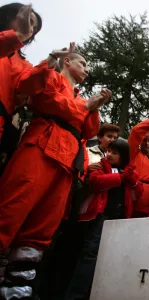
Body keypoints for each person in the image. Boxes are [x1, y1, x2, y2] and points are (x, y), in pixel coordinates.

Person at [0, 49, 111, 299]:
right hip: (40, 145)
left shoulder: (81, 96)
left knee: (42, 228)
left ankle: (16, 291)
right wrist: (85, 106)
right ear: (66, 61)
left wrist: (93, 107)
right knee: (10, 209)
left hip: (67, 160)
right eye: (82, 63)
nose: (86, 68)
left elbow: (89, 130)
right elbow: (38, 94)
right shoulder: (51, 76)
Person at [62, 139, 142, 300]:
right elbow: (96, 183)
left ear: (124, 155)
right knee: (89, 255)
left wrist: (132, 179)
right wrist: (120, 177)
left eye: (115, 152)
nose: (109, 154)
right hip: (100, 218)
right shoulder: (100, 165)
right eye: (109, 151)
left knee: (112, 257)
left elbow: (138, 193)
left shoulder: (129, 170)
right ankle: (75, 296)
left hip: (120, 220)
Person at [0, 3, 42, 173]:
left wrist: (49, 67)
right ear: (9, 16)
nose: (30, 28)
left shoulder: (24, 63)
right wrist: (16, 36)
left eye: (34, 27)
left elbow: (22, 93)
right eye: (28, 20)